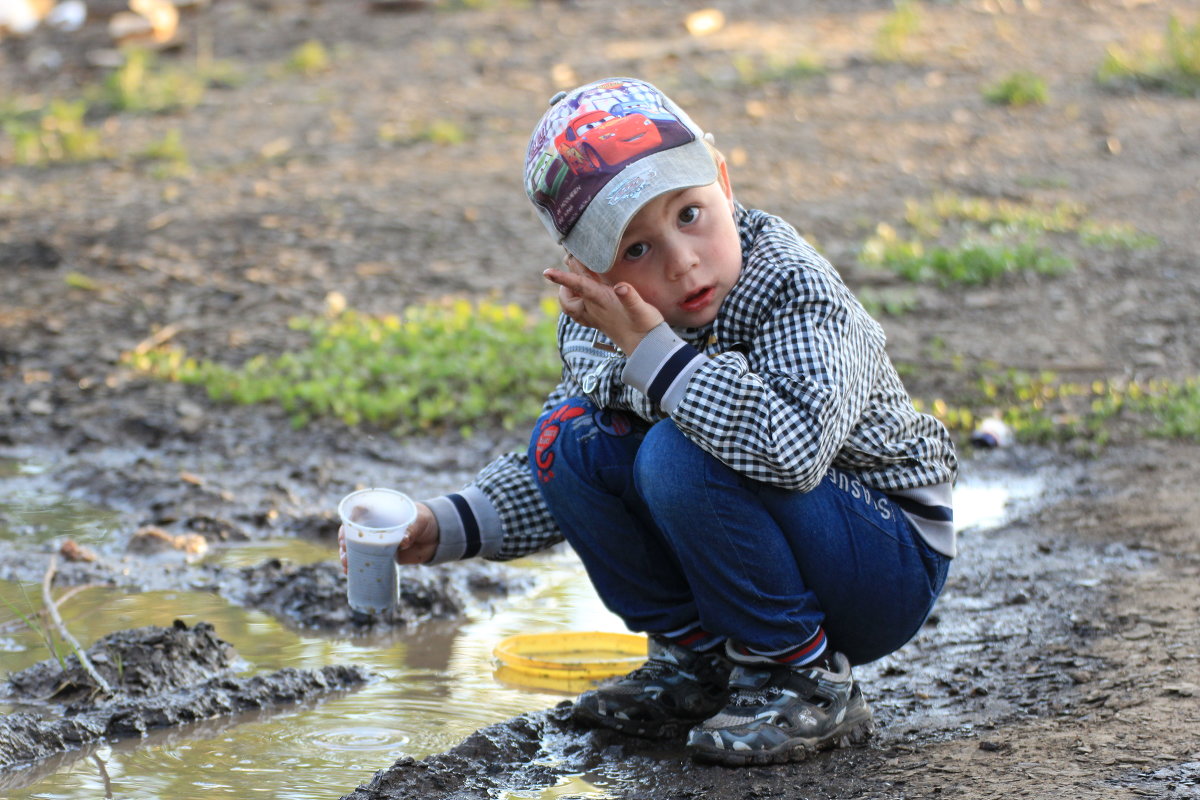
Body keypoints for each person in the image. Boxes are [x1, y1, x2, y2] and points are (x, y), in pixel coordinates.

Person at [340, 77, 958, 766]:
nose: (681, 259)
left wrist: (657, 356)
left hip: (884, 553)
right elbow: (561, 468)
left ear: (722, 181)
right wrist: (443, 525)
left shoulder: (790, 284)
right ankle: (702, 665)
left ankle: (801, 677)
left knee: (677, 451)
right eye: (636, 250)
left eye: (691, 214)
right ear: (586, 271)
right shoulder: (602, 326)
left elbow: (793, 451)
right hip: (788, 544)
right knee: (570, 439)